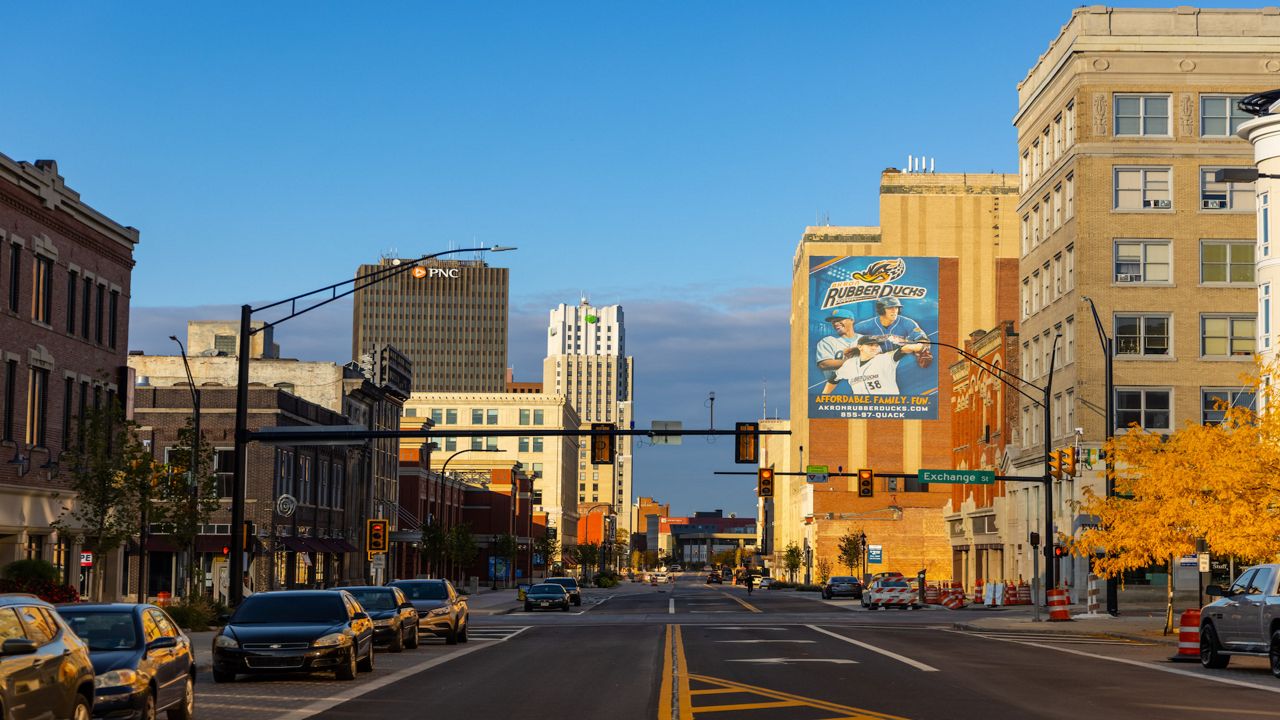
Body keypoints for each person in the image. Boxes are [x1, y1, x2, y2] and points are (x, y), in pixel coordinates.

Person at [835, 335, 928, 395]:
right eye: (870, 345)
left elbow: (907, 348)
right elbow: (834, 378)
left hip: (889, 406)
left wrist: (921, 347)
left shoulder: (885, 358)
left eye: (876, 345)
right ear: (860, 347)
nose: (874, 347)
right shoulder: (850, 364)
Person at [853, 297, 928, 352]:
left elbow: (925, 341)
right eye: (890, 308)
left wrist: (912, 347)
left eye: (896, 308)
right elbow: (848, 338)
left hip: (899, 360)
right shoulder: (866, 325)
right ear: (881, 310)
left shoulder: (908, 323)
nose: (894, 311)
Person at [816, 308, 861, 393]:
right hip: (837, 389)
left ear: (852, 320)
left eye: (839, 320)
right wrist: (858, 361)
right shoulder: (827, 341)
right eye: (833, 321)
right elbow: (824, 364)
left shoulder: (865, 339)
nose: (836, 323)